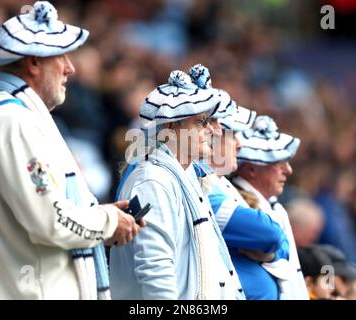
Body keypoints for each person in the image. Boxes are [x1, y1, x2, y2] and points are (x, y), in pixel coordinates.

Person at [0, 1, 143, 299]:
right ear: (34, 62)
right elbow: (50, 220)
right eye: (62, 55)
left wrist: (99, 216)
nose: (70, 68)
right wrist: (107, 222)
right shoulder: (14, 122)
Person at [110, 70, 245, 300]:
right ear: (171, 127)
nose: (212, 130)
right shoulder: (151, 181)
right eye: (201, 122)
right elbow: (156, 271)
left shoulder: (188, 174)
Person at [188, 64, 290, 300]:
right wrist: (271, 248)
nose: (240, 144)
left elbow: (280, 241)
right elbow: (271, 235)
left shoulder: (217, 182)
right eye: (233, 135)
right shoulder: (200, 184)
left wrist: (271, 254)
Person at [232, 116, 309, 299]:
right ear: (251, 169)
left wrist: (273, 254)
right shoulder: (235, 201)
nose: (288, 170)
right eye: (278, 163)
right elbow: (271, 236)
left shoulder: (274, 207)